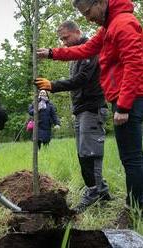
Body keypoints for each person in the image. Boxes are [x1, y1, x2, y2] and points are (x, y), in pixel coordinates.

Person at [37, 0, 143, 210]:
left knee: (131, 157)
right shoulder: (108, 28)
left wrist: (123, 106)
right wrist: (52, 53)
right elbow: (84, 49)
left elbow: (135, 63)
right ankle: (133, 204)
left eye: (88, 12)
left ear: (101, 2)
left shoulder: (122, 23)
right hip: (121, 97)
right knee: (130, 156)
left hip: (129, 98)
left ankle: (135, 208)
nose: (88, 18)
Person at [36, 20, 111, 213]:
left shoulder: (89, 50)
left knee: (89, 153)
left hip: (92, 107)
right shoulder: (75, 55)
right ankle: (101, 191)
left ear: (78, 31)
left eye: (66, 38)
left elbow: (81, 79)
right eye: (61, 39)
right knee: (83, 152)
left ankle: (94, 192)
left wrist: (53, 85)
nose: (64, 42)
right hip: (81, 109)